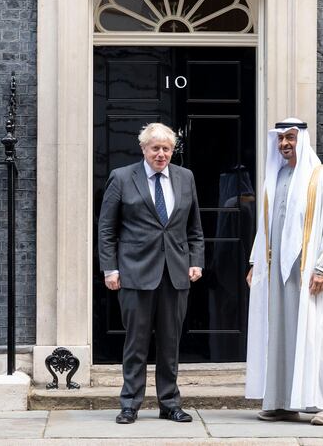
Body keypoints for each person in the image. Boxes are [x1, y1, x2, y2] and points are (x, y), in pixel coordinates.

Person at [98, 122, 205, 424]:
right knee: (136, 342)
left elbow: (194, 227)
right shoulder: (121, 178)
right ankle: (130, 403)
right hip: (134, 272)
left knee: (170, 343)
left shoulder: (186, 178)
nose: (161, 154)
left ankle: (169, 403)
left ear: (173, 150)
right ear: (143, 148)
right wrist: (110, 268)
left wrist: (196, 260)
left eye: (166, 148)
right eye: (155, 148)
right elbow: (107, 228)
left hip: (175, 273)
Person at [245, 118, 323, 426]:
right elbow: (265, 226)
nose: (285, 144)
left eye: (290, 137)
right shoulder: (274, 177)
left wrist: (322, 268)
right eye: (280, 139)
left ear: (302, 139)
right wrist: (255, 263)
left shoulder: (321, 176)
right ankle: (282, 402)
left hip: (307, 271)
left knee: (316, 334)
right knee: (279, 333)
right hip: (276, 269)